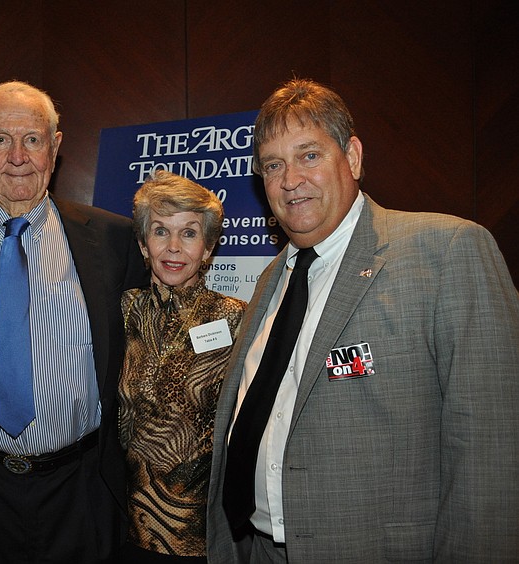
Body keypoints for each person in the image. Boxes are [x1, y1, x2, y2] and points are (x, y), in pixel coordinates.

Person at [206, 77, 519, 562]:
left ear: (351, 157)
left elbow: (493, 447)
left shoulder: (446, 251)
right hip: (258, 549)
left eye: (309, 155)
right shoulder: (274, 276)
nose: (290, 179)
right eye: (273, 164)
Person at [0, 80, 148, 562]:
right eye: (1, 139)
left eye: (33, 139)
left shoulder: (114, 241)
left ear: (56, 146)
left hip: (83, 487)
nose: (18, 156)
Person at [118, 171, 246, 563]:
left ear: (208, 248)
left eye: (189, 233)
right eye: (160, 231)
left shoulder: (235, 319)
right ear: (143, 243)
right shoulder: (122, 311)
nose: (173, 247)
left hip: (201, 532)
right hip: (125, 523)